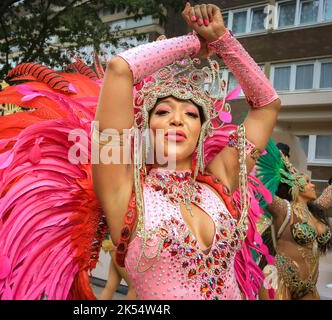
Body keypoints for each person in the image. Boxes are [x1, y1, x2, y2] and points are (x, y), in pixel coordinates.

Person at [92, 2, 281, 300]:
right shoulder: (124, 190)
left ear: (202, 131)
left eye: (191, 115)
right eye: (163, 111)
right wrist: (195, 42)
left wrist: (222, 38)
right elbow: (119, 70)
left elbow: (267, 106)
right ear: (144, 126)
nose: (177, 119)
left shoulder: (218, 181)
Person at [257, 140, 332, 299]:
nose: (312, 185)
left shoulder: (316, 209)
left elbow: (329, 194)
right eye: (307, 181)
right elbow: (260, 189)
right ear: (295, 185)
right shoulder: (284, 209)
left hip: (309, 285)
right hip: (278, 280)